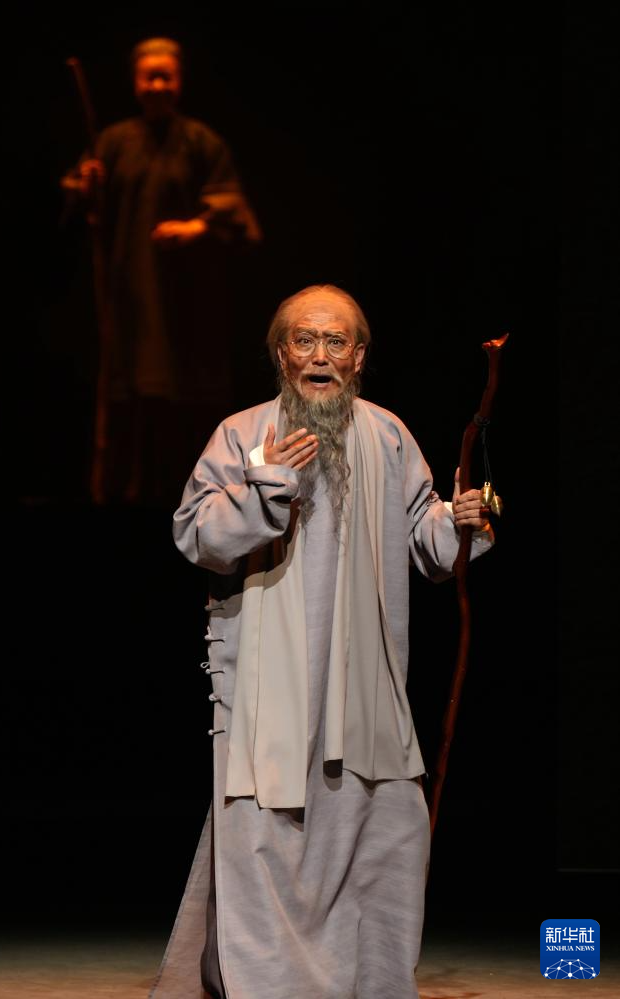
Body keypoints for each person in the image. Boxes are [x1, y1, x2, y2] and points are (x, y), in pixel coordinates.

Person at [150, 285, 494, 999]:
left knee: (383, 828)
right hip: (265, 691)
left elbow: (427, 541)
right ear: (281, 354)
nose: (319, 355)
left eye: (335, 341)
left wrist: (462, 521)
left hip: (366, 685)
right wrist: (267, 484)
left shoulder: (388, 434)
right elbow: (197, 535)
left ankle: (368, 980)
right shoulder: (242, 433)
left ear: (359, 357)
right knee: (266, 837)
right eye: (303, 340)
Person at [63, 37, 261, 505]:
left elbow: (233, 210)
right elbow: (80, 203)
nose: (156, 86)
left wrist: (196, 227)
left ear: (179, 81)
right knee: (125, 398)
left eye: (165, 76)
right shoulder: (113, 142)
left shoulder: (200, 141)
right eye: (148, 77)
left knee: (181, 400)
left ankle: (189, 503)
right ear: (135, 83)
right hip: (128, 294)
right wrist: (85, 186)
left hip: (184, 300)